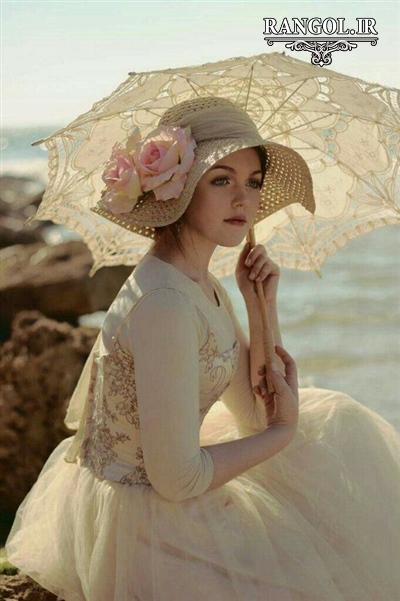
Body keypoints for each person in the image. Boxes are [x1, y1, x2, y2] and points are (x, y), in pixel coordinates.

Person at [6, 97, 400, 601]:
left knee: (339, 430)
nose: (243, 199)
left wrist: (261, 306)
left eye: (253, 182)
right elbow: (180, 479)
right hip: (147, 525)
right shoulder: (165, 304)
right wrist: (282, 434)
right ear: (180, 189)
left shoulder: (199, 283)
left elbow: (253, 414)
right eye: (221, 180)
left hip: (174, 486)